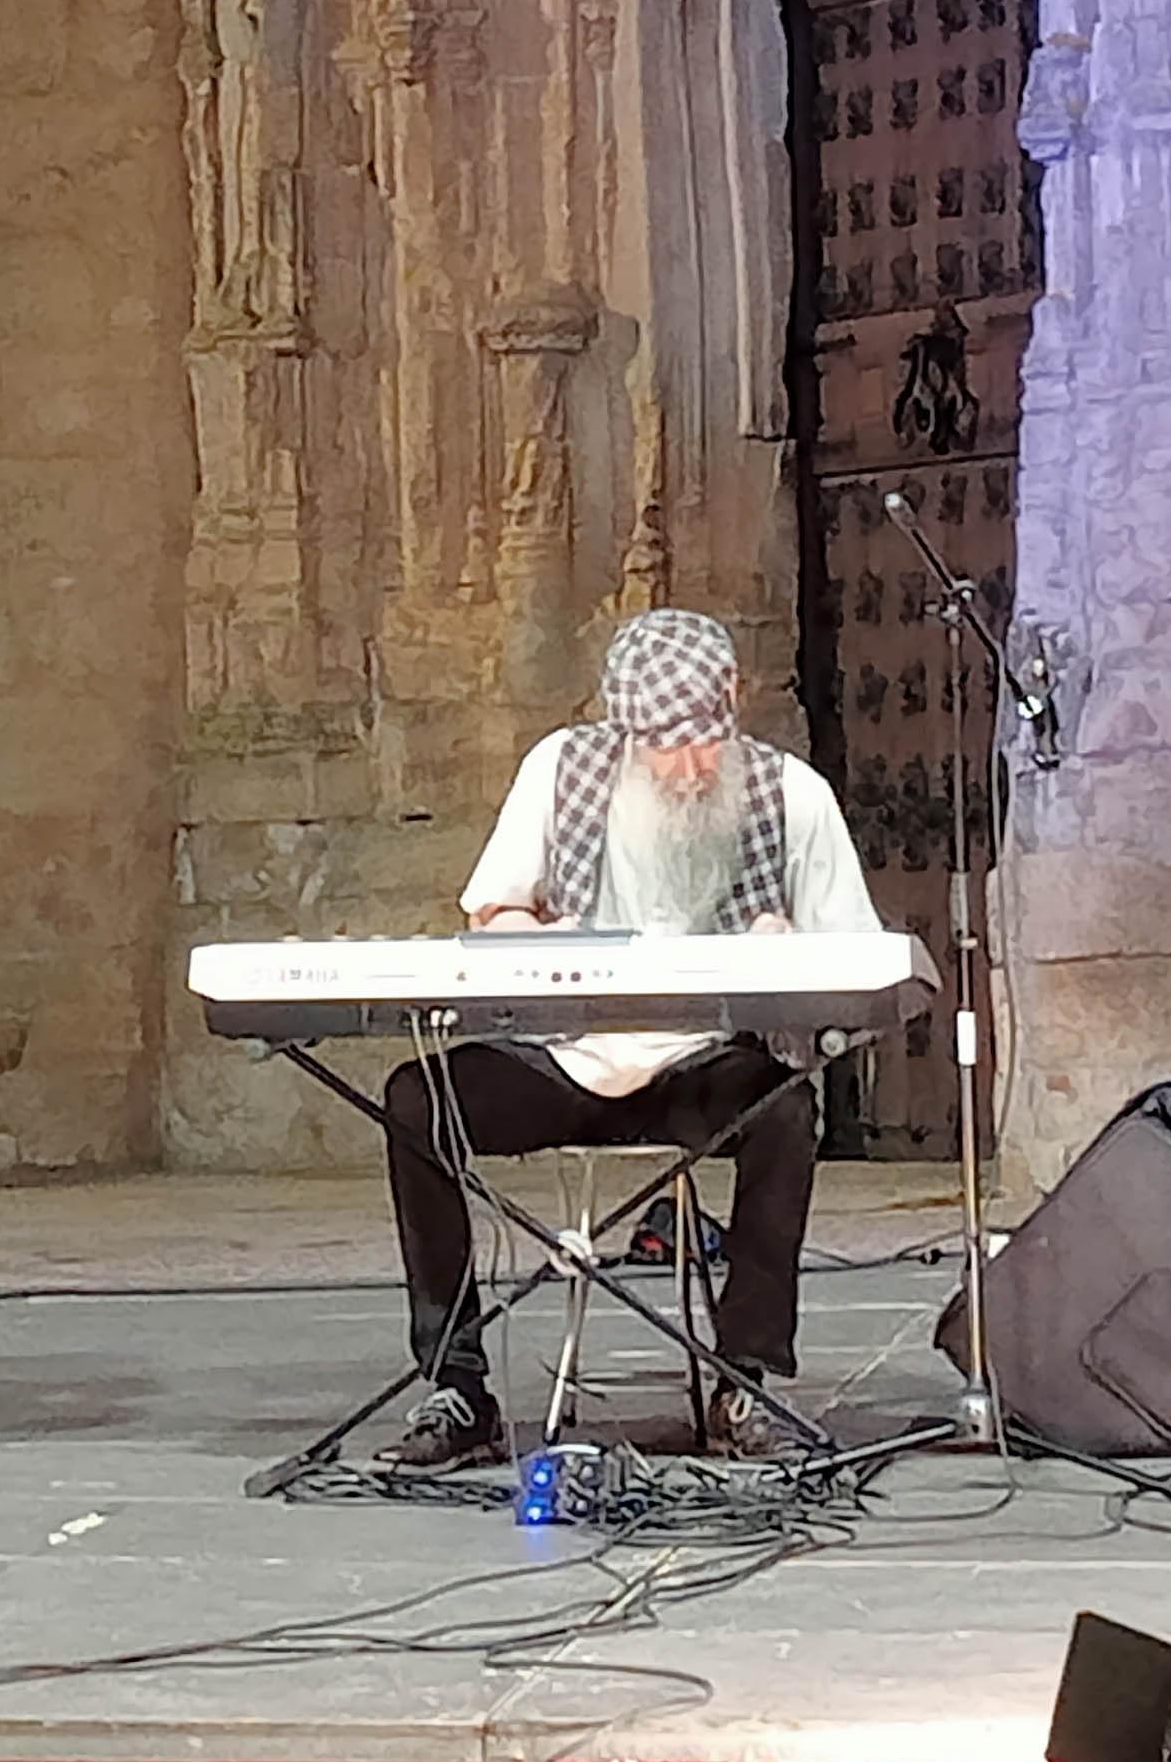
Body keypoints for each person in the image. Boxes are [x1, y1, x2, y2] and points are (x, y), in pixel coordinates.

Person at [376, 608, 882, 1468]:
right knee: (416, 1100)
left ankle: (747, 1379)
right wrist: (539, 939)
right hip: (562, 1056)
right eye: (662, 748)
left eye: (704, 742)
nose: (687, 768)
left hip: (703, 1065)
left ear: (733, 700)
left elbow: (855, 965)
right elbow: (495, 911)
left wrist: (790, 949)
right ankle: (456, 1386)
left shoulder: (792, 795)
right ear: (625, 730)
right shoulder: (561, 770)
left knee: (785, 1111)